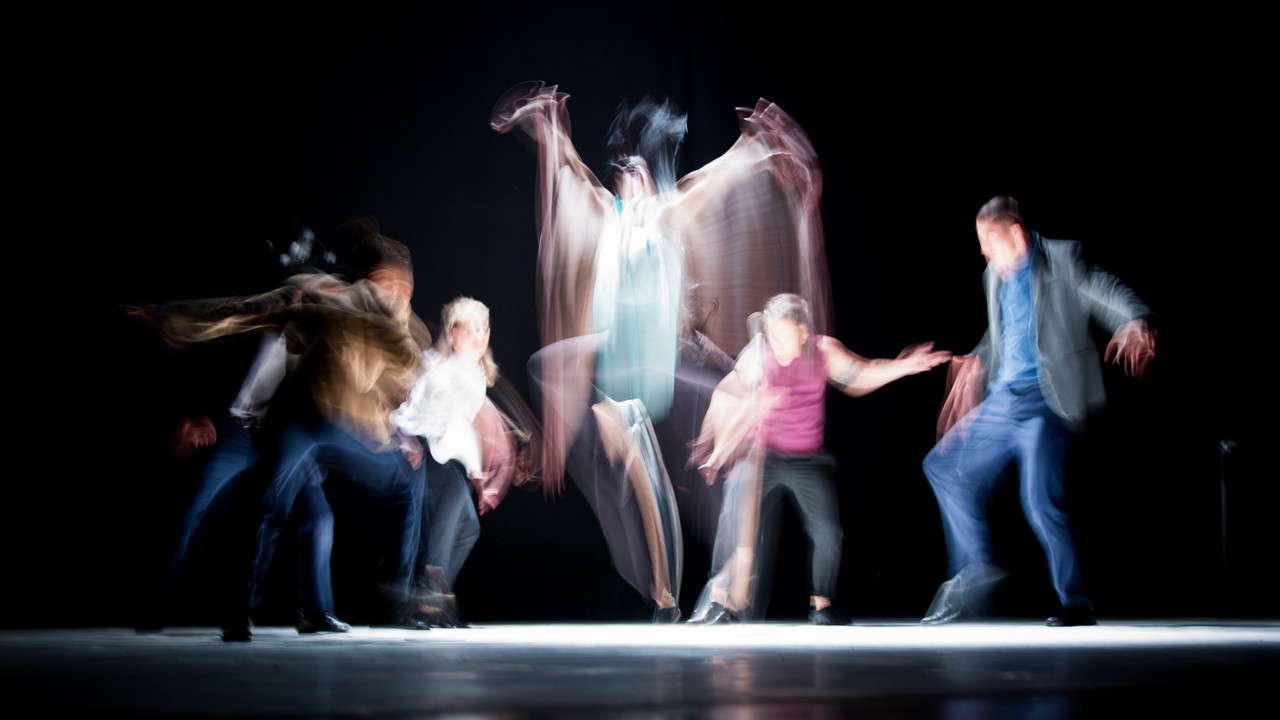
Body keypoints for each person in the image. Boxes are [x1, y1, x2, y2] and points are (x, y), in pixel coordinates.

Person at [492, 82, 830, 622]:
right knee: (628, 470)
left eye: (641, 175)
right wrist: (550, 126)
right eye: (626, 177)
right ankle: (665, 598)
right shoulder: (610, 212)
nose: (633, 181)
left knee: (731, 440)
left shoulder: (669, 212)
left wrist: (758, 149)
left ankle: (729, 586)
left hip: (659, 365)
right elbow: (574, 173)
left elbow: (714, 181)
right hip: (617, 374)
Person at [129, 219, 434, 640]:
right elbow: (242, 311)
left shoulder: (394, 318)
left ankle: (302, 609)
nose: (396, 297)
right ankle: (236, 611)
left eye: (403, 290)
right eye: (389, 286)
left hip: (329, 424)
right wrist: (172, 318)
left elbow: (398, 374)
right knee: (266, 507)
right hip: (298, 419)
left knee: (320, 506)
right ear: (370, 279)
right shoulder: (322, 295)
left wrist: (398, 422)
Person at [920, 195, 1157, 627]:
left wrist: (1132, 319)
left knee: (1039, 499)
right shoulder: (994, 274)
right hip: (1003, 401)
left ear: (1015, 233)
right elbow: (1002, 333)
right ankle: (976, 570)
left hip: (1047, 401)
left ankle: (1074, 600)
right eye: (979, 243)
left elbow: (1102, 289)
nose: (984, 252)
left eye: (989, 240)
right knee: (942, 464)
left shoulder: (1063, 259)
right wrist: (976, 361)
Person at [687, 293, 952, 625]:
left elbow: (863, 373)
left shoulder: (823, 351)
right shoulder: (760, 358)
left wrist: (903, 367)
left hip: (806, 459)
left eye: (784, 338)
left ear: (801, 332)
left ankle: (821, 605)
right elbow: (727, 393)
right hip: (761, 457)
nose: (778, 347)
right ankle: (719, 602)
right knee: (740, 528)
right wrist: (714, 443)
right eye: (772, 337)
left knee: (827, 531)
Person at [392, 296, 521, 628]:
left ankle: (434, 596)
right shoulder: (445, 371)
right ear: (452, 333)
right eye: (471, 328)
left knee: (467, 528)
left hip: (440, 453)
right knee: (452, 506)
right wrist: (477, 472)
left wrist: (476, 471)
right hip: (420, 450)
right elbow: (432, 420)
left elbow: (461, 428)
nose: (480, 335)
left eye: (485, 328)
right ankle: (429, 593)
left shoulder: (473, 371)